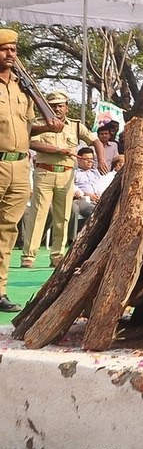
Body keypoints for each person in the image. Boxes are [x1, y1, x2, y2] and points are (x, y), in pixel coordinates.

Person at [0, 29, 67, 311]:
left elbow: (26, 128)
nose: (11, 54)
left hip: (19, 165)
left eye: (14, 49)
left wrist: (47, 126)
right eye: (5, 49)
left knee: (7, 230)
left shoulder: (22, 87)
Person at [21, 90, 94, 268]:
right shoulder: (38, 123)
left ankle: (57, 255)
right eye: (53, 105)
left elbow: (93, 139)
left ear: (67, 107)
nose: (57, 109)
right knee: (38, 214)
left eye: (60, 105)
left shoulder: (75, 126)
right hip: (45, 172)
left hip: (67, 174)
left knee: (63, 216)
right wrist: (58, 150)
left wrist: (98, 153)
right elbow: (31, 143)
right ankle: (29, 256)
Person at [71, 145, 106, 232]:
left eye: (91, 159)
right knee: (94, 211)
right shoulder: (74, 173)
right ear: (79, 159)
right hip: (81, 200)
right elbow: (72, 187)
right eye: (86, 159)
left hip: (98, 200)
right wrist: (86, 194)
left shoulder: (96, 172)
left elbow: (101, 186)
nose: (90, 161)